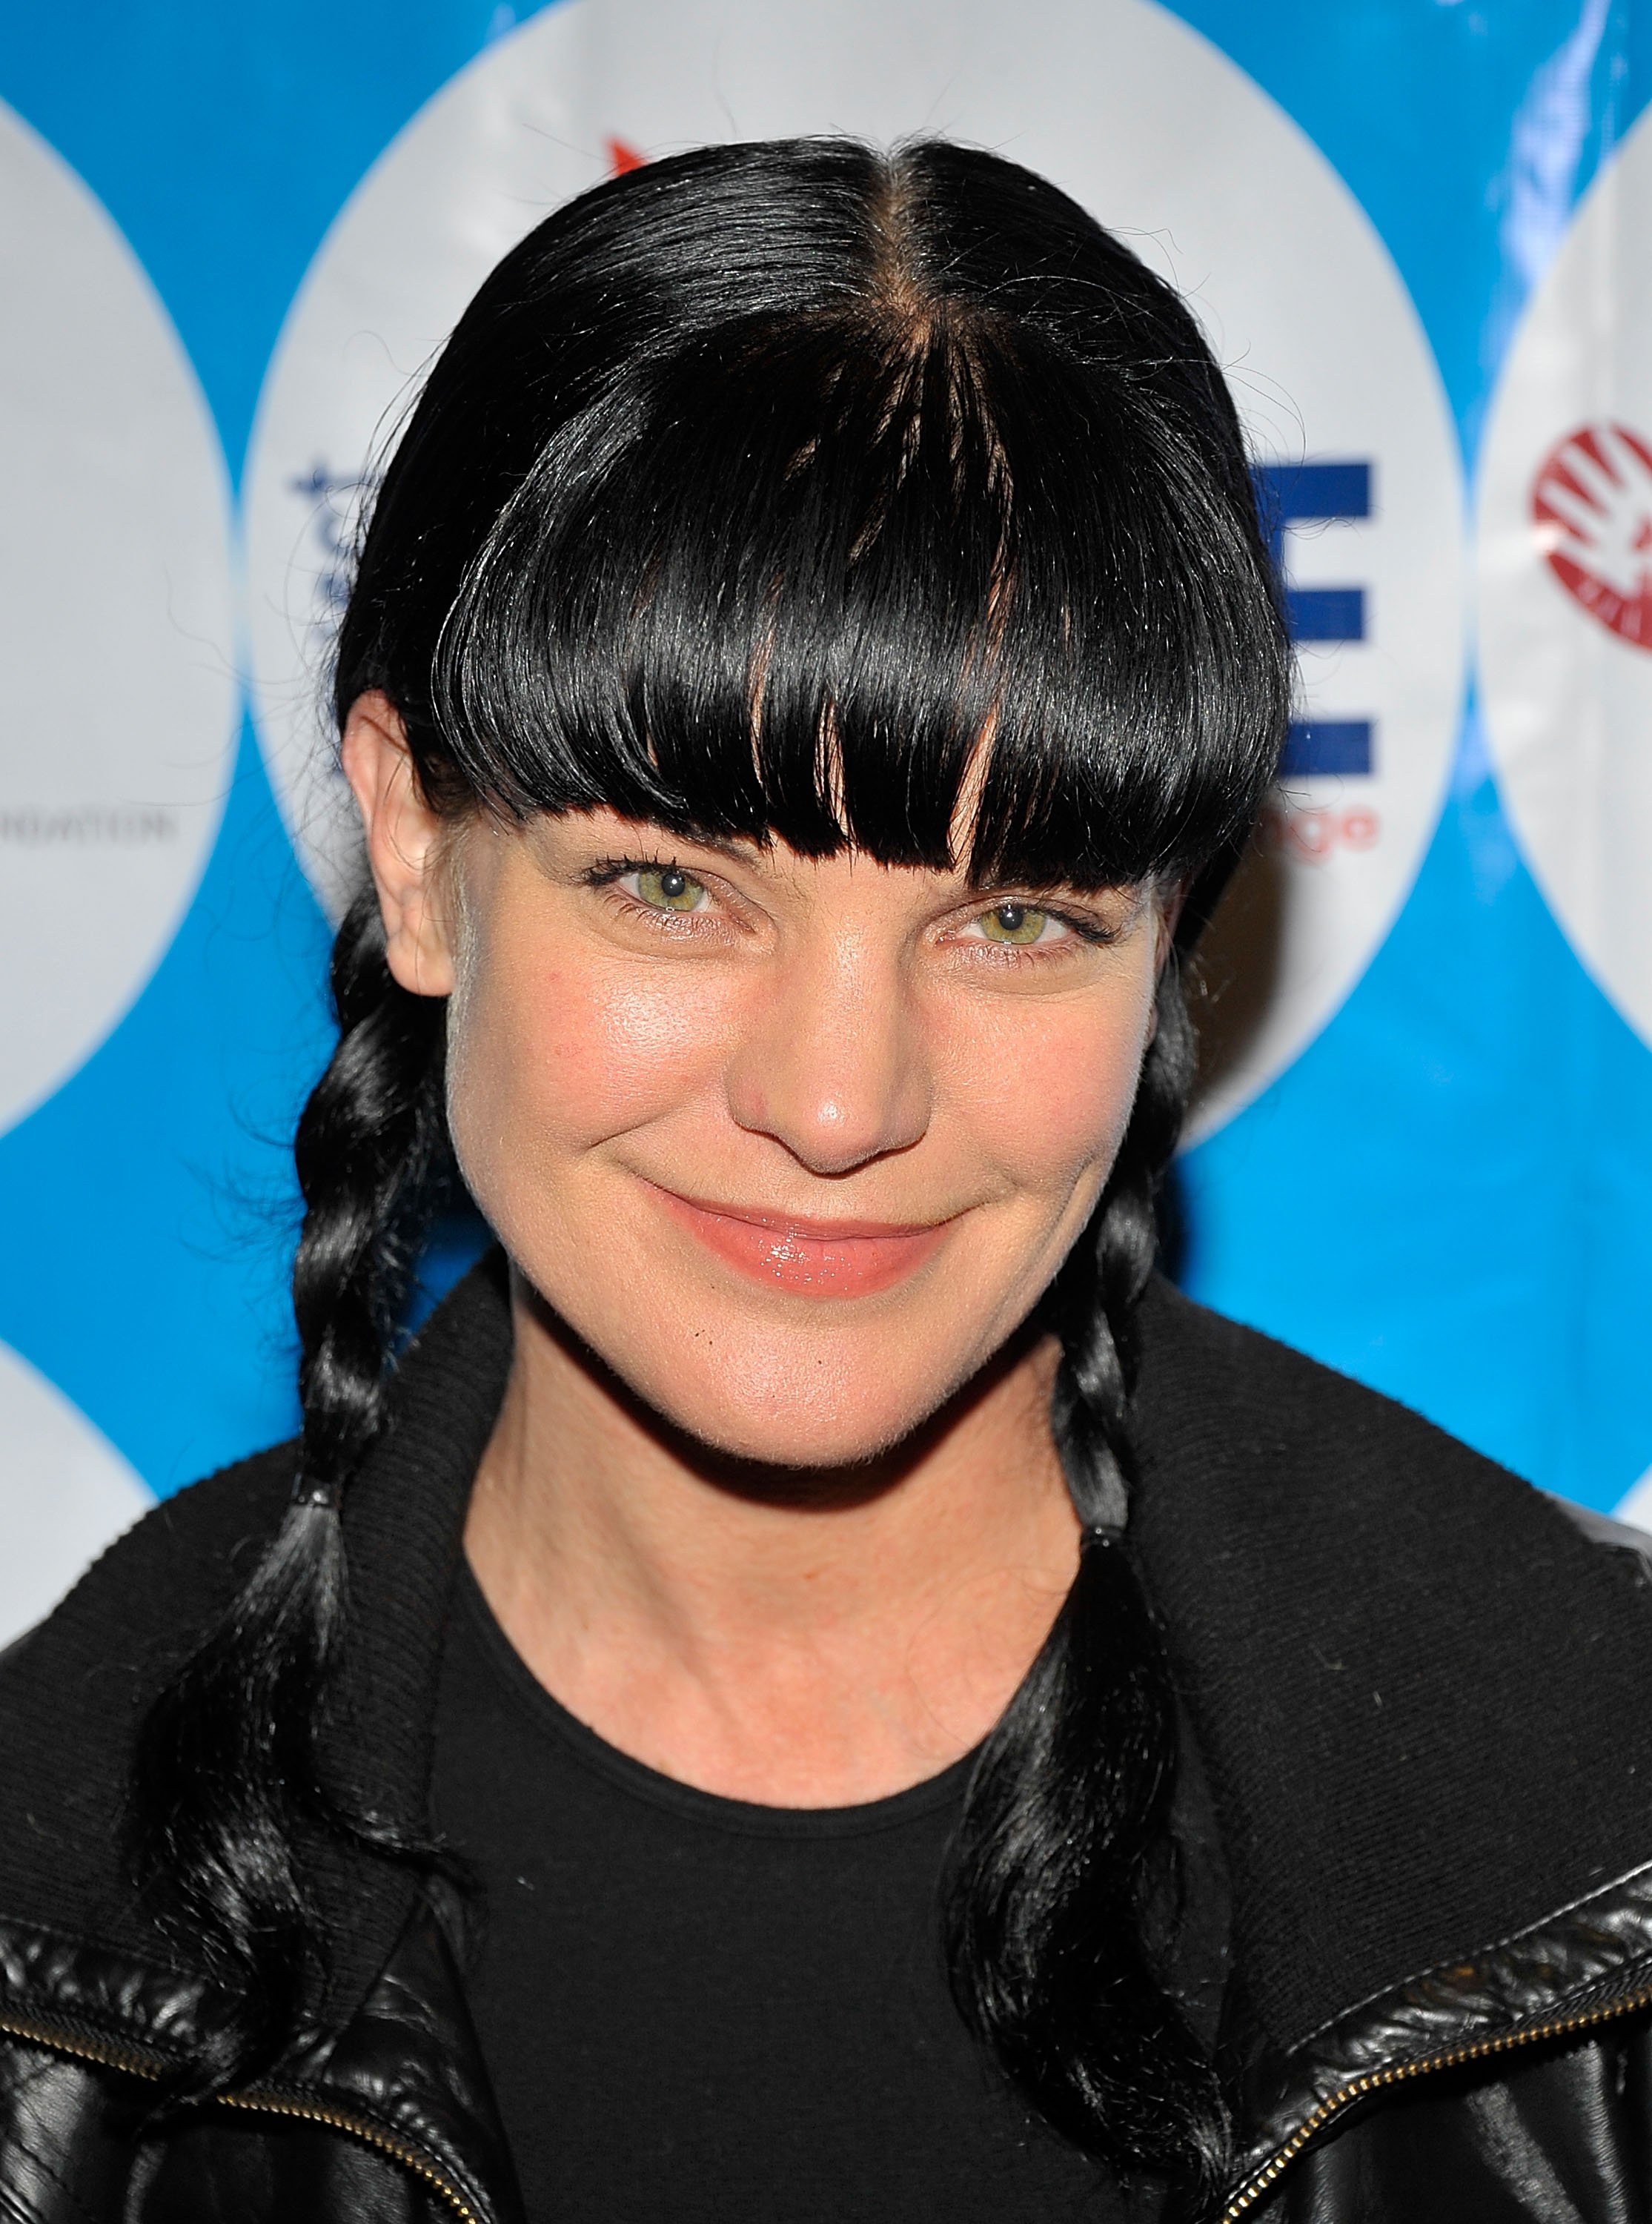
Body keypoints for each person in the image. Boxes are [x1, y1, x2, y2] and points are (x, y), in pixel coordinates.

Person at [2, 136, 1651, 2224]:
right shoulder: (44, 1928)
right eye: (672, 888)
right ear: (414, 849)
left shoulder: (1605, 1844)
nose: (840, 1098)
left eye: (1020, 918)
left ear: (1171, 948)